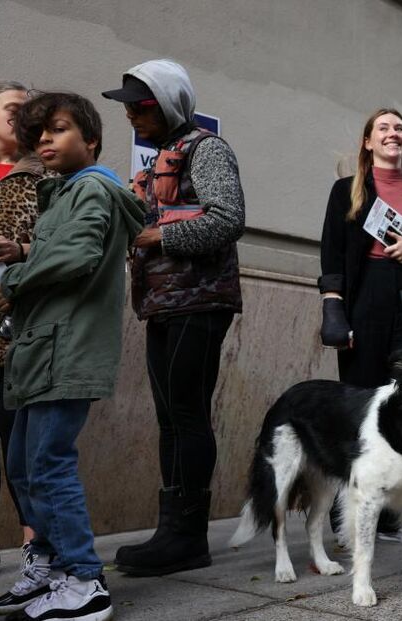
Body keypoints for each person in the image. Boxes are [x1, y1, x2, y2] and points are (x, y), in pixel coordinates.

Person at [0, 91, 145, 621]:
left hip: (67, 349)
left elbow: (81, 253)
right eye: (38, 133)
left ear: (91, 140)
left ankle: (85, 582)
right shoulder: (63, 194)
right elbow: (66, 247)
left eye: (57, 130)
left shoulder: (91, 189)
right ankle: (52, 567)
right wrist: (27, 250)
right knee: (22, 464)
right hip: (42, 350)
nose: (44, 140)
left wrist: (11, 274)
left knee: (47, 464)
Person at [101, 59, 246, 576]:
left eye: (140, 107)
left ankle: (187, 536)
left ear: (167, 104)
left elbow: (228, 219)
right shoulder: (162, 156)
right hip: (165, 303)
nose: (131, 117)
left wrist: (156, 234)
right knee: (170, 418)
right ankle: (172, 531)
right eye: (127, 108)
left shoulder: (206, 150)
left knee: (186, 414)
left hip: (199, 303)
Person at [319, 107, 402, 539]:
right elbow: (332, 253)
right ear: (368, 142)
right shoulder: (347, 190)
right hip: (364, 298)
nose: (393, 133)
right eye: (383, 128)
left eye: (400, 128)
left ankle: (398, 514)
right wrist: (333, 308)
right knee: (358, 401)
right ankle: (351, 513)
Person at [0, 81, 43, 567]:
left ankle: (37, 549)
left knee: (23, 452)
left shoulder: (40, 177)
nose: (22, 117)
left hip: (17, 335)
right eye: (12, 108)